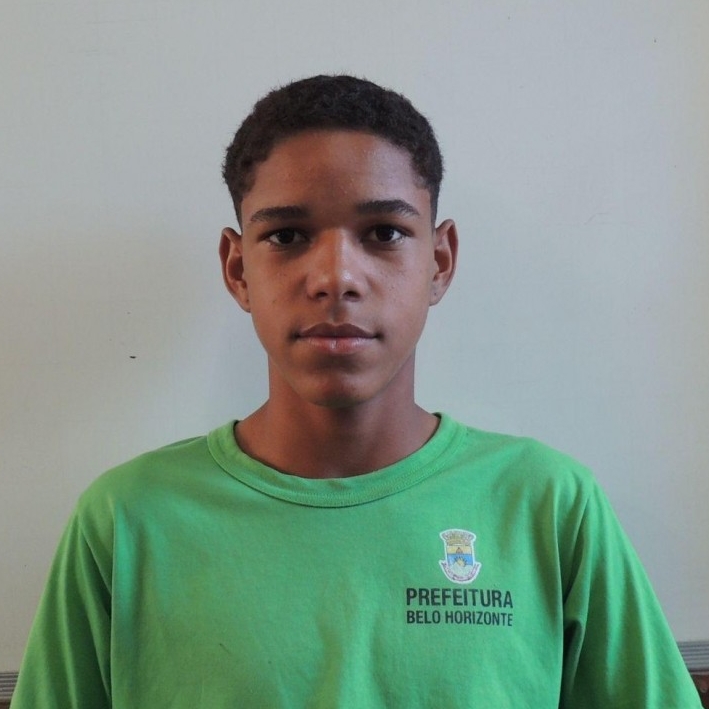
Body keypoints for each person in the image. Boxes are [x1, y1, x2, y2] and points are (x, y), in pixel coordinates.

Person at [11, 75, 700, 708]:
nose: (336, 276)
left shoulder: (547, 506)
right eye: (287, 235)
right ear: (238, 268)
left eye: (384, 233)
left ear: (439, 261)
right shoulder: (127, 521)